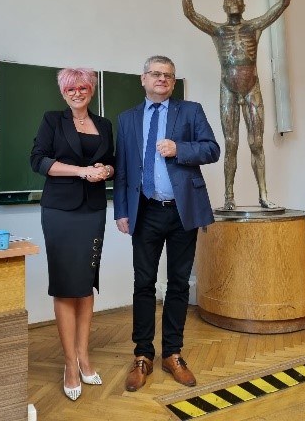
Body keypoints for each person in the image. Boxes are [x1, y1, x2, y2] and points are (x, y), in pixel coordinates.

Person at [114, 55, 220, 391]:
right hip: (145, 211)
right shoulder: (127, 119)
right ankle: (143, 354)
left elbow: (212, 149)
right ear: (143, 79)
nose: (162, 79)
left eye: (169, 75)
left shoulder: (191, 111)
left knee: (178, 283)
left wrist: (179, 149)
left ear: (174, 83)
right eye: (156, 74)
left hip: (182, 211)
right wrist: (121, 210)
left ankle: (172, 353)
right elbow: (122, 169)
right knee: (143, 283)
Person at [173, 0, 298, 210]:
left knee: (257, 143)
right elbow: (190, 14)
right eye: (229, 1)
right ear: (224, 7)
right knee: (231, 144)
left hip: (251, 87)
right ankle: (229, 197)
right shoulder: (217, 31)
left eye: (237, 0)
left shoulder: (254, 26)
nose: (233, 4)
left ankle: (263, 194)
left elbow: (282, 3)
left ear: (243, 5)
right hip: (228, 88)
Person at [30, 68, 114, 401]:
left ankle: (84, 356)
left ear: (91, 89)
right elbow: (38, 160)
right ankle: (69, 363)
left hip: (93, 210)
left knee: (85, 284)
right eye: (70, 88)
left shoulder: (104, 124)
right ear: (63, 92)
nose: (77, 92)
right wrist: (81, 171)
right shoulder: (52, 120)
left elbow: (112, 162)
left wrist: (107, 169)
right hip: (61, 211)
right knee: (66, 286)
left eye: (82, 87)